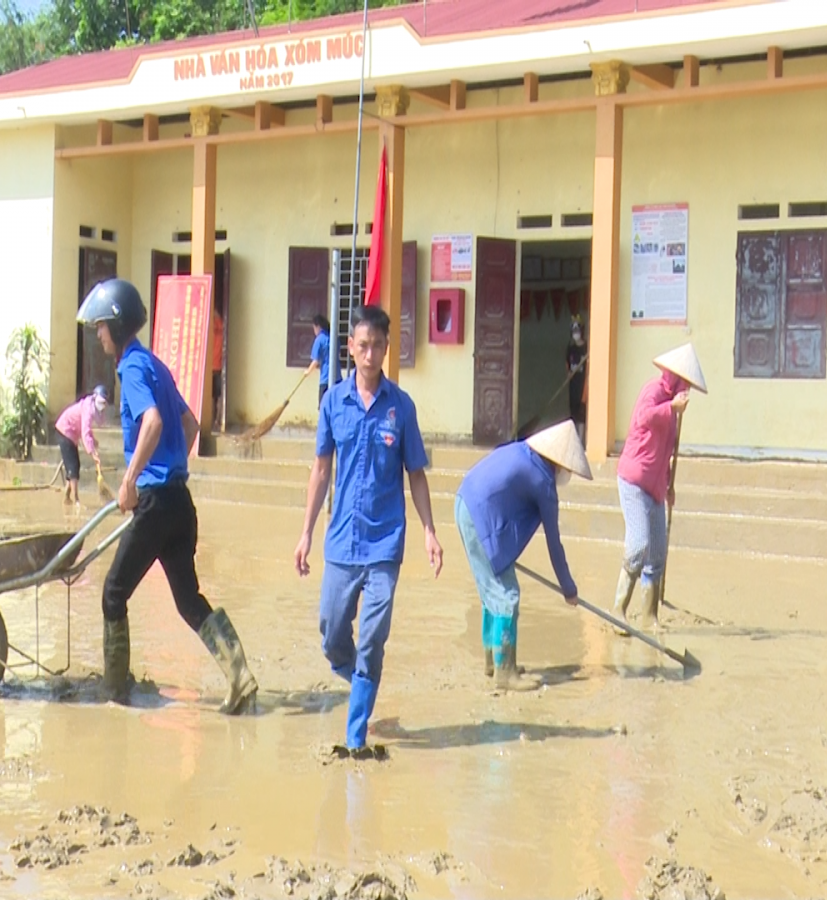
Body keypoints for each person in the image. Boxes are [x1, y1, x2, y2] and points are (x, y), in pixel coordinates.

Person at [77, 278, 258, 713]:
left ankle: (115, 693)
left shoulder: (133, 368)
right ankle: (240, 674)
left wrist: (130, 480)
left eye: (101, 327)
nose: (98, 334)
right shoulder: (157, 366)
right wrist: (172, 467)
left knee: (113, 593)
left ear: (116, 327)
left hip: (157, 502)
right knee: (188, 599)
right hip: (180, 502)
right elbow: (191, 425)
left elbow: (155, 422)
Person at [294, 305, 443, 757]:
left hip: (384, 544)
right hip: (341, 541)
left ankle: (355, 738)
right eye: (363, 345)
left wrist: (429, 530)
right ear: (350, 348)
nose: (370, 353)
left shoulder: (401, 408)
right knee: (331, 633)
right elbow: (321, 471)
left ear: (386, 348)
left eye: (379, 345)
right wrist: (304, 534)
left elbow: (416, 473)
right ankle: (363, 678)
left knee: (374, 636)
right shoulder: (332, 403)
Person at [456, 420, 592, 691]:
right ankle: (505, 672)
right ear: (559, 463)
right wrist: (569, 588)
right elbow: (555, 544)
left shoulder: (520, 452)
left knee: (491, 592)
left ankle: (493, 662)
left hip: (464, 504)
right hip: (480, 518)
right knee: (507, 596)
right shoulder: (542, 480)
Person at [613, 343, 706, 628]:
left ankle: (649, 614)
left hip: (655, 486)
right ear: (674, 377)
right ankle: (618, 610)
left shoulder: (675, 413)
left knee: (657, 554)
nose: (686, 390)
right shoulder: (653, 391)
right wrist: (671, 408)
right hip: (633, 480)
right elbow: (643, 418)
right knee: (639, 545)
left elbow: (666, 450)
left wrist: (668, 484)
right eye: (685, 383)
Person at [55, 385, 109, 506]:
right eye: (100, 402)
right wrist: (92, 452)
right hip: (64, 431)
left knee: (73, 466)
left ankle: (67, 497)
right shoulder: (87, 409)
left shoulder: (94, 408)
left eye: (104, 403)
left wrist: (93, 440)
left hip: (72, 434)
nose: (102, 406)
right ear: (95, 398)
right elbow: (85, 433)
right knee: (73, 466)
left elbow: (88, 430)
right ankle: (76, 501)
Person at [566, 319, 588, 445]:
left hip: (583, 385)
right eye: (574, 331)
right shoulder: (570, 348)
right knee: (573, 413)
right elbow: (567, 364)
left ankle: (581, 441)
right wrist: (568, 374)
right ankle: (574, 442)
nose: (576, 334)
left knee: (582, 413)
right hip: (573, 385)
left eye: (577, 331)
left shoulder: (586, 349)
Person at [306, 314, 334, 408]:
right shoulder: (333, 338)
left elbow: (315, 361)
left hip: (325, 378)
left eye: (314, 328)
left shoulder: (320, 339)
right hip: (337, 378)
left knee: (323, 407)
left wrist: (307, 372)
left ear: (317, 326)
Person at [211, 307, 225, 431]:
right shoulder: (221, 326)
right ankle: (217, 420)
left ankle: (213, 420)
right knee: (219, 396)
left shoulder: (211, 326)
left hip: (212, 366)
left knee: (213, 396)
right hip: (218, 366)